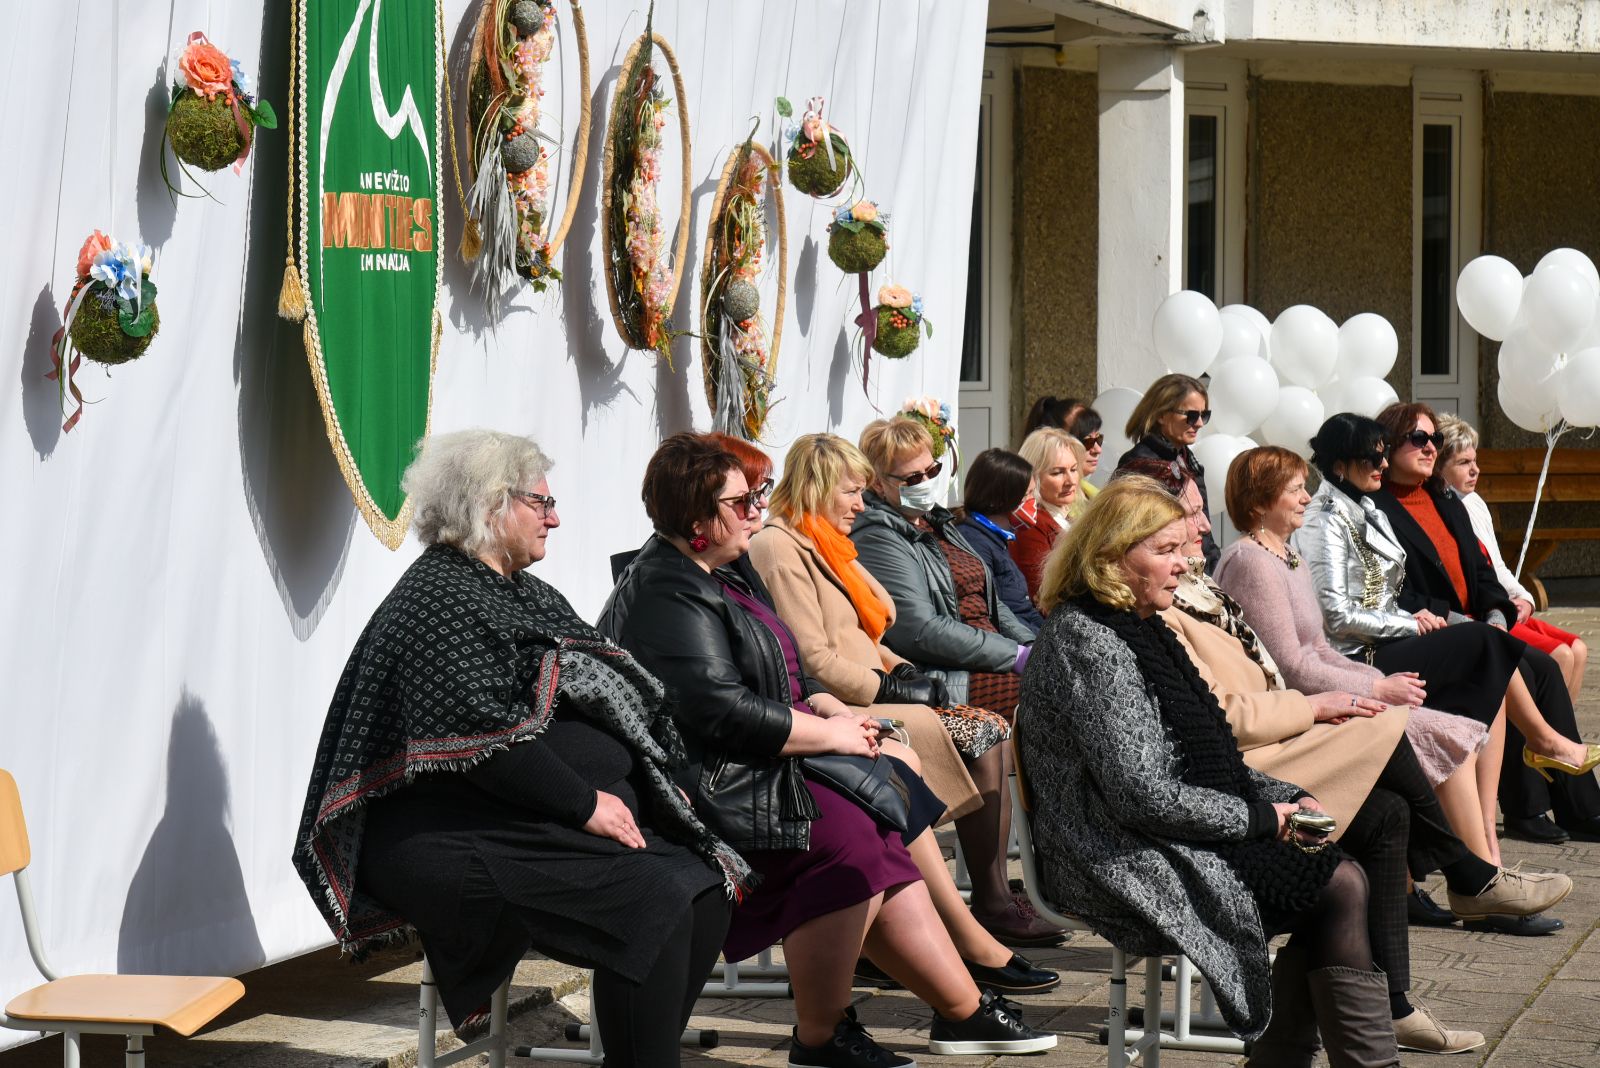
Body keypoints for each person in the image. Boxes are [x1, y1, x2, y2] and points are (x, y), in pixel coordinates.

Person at [600, 433, 1055, 1064]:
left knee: (877, 823)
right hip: (710, 784)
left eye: (757, 495)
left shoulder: (723, 569)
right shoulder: (667, 589)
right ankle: (827, 1032)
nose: (757, 510)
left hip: (753, 761)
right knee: (849, 839)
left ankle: (959, 1008)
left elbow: (785, 666)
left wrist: (828, 706)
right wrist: (833, 733)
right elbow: (720, 709)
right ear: (697, 520)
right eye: (742, 502)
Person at [291, 430, 739, 1067]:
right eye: (541, 503)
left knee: (704, 881)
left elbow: (603, 690)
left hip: (521, 814)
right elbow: (483, 744)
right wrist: (586, 804)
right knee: (652, 899)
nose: (554, 518)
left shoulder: (523, 591)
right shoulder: (438, 600)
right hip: (447, 832)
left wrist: (648, 783)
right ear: (488, 506)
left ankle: (646, 1051)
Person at [1018, 477, 1397, 1067]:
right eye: (1166, 550)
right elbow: (1140, 793)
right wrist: (1263, 818)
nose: (1186, 562)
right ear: (1112, 557)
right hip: (1108, 852)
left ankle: (1289, 1059)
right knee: (1337, 885)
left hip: (1154, 828)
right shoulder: (1089, 641)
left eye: (1183, 548)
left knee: (1347, 858)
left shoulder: (1139, 624)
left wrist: (1291, 799)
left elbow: (1211, 757)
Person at [1150, 458, 1491, 1054]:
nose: (1203, 527)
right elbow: (1230, 708)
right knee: (1385, 731)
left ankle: (1396, 999)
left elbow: (1296, 658)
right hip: (1250, 767)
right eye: (1187, 520)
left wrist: (1356, 689)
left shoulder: (1208, 581)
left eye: (1200, 515)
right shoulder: (1175, 600)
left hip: (1270, 743)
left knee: (1388, 809)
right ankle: (1465, 870)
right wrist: (1329, 703)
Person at [1213, 445, 1573, 931]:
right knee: (1440, 731)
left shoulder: (1286, 554)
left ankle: (1480, 875)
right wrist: (1376, 690)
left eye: (1304, 487)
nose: (1306, 497)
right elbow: (1291, 667)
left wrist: (1377, 682)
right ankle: (1480, 885)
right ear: (1259, 501)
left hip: (1326, 693)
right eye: (1294, 489)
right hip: (1296, 713)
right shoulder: (1251, 562)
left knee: (1454, 726)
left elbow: (1317, 649)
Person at [748, 433, 1056, 991]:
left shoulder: (827, 540)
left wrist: (905, 673)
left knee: (988, 730)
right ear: (818, 487)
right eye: (851, 491)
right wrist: (893, 685)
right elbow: (814, 659)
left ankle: (978, 905)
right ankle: (972, 914)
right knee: (984, 730)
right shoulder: (781, 546)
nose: (860, 504)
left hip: (875, 689)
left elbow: (872, 633)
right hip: (842, 704)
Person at [850, 417, 1058, 948]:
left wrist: (1038, 649)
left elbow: (990, 608)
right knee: (1026, 710)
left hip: (984, 657)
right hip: (941, 674)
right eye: (911, 476)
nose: (927, 480)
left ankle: (1048, 872)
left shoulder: (938, 522)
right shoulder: (880, 534)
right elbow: (918, 630)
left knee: (1062, 690)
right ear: (877, 483)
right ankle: (994, 896)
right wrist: (1015, 657)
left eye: (933, 468)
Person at [1369, 403, 1600, 847]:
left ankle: (1581, 807)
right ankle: (1526, 808)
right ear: (1391, 443)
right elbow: (1395, 593)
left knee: (1546, 670)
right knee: (1519, 668)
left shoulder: (1444, 498)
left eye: (1434, 439)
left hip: (1479, 625)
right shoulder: (1377, 508)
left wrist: (1495, 615)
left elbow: (1483, 572)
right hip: (1434, 630)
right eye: (1419, 439)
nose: (1430, 447)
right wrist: (1467, 623)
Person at [1435, 413, 1588, 703]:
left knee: (1578, 649)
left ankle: (1562, 726)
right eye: (1464, 463)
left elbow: (1497, 566)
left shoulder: (1475, 503)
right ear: (1439, 468)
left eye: (1475, 461)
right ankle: (1543, 730)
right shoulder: (1443, 510)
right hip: (1484, 613)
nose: (1475, 470)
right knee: (1560, 655)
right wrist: (1503, 606)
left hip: (1504, 605)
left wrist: (1524, 598)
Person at [1118, 372, 1220, 571]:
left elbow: (1204, 533)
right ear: (1161, 415)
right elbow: (1135, 539)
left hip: (1197, 572)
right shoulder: (1140, 465)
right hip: (1168, 576)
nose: (1199, 423)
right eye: (1191, 415)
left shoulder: (1187, 458)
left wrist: (1214, 571)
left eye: (1204, 415)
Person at [956, 447, 1046, 630]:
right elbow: (995, 614)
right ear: (997, 500)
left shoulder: (998, 538)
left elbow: (1023, 608)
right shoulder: (974, 542)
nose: (1033, 501)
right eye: (1026, 495)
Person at [1011, 427, 1080, 604]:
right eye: (1058, 472)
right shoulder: (1031, 525)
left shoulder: (1062, 515)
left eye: (1073, 469)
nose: (1071, 481)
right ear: (1033, 477)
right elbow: (1044, 593)